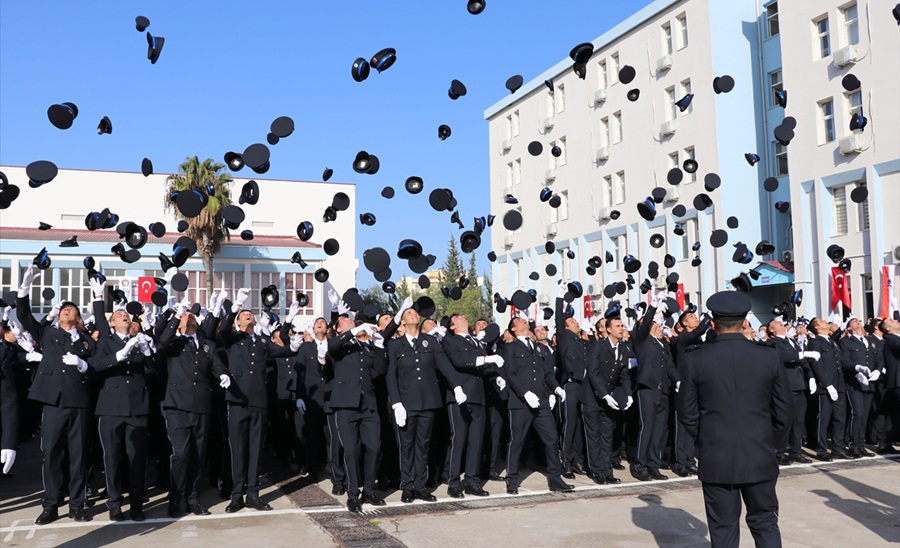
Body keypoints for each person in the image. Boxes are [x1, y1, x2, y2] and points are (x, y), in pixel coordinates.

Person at [679, 290, 790, 547]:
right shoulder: (768, 355)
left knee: (723, 530)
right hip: (760, 452)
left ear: (714, 323)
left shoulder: (696, 358)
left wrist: (707, 439)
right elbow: (784, 412)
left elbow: (687, 412)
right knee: (765, 524)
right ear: (744, 322)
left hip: (717, 455)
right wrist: (772, 445)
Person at [16, 265, 96, 525]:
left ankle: (76, 504)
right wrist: (24, 287)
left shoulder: (87, 342)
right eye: (63, 309)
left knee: (79, 455)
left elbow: (97, 369)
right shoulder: (48, 333)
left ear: (78, 317)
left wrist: (83, 365)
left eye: (71, 308)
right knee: (51, 453)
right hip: (54, 403)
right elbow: (25, 315)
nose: (66, 310)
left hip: (80, 403)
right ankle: (51, 504)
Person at [219, 288, 302, 512]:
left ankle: (253, 493)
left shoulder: (262, 342)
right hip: (237, 401)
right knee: (238, 449)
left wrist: (293, 347)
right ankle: (237, 494)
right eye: (243, 315)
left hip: (259, 401)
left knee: (256, 448)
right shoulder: (233, 339)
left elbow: (281, 352)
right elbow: (223, 330)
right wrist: (235, 306)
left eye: (250, 314)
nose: (248, 315)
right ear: (238, 322)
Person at [386, 306, 466, 503]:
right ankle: (407, 485)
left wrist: (457, 386)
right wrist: (396, 403)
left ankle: (420, 486)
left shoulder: (429, 341)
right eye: (409, 313)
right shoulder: (396, 345)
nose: (414, 314)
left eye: (415, 312)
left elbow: (444, 364)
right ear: (403, 322)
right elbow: (391, 376)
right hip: (406, 402)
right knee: (406, 446)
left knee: (423, 445)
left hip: (428, 401)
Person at [158, 301, 229, 517]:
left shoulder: (207, 344)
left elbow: (216, 364)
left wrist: (222, 374)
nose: (189, 317)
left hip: (201, 406)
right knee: (181, 454)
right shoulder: (175, 342)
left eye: (191, 315)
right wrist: (176, 316)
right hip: (177, 406)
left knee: (198, 455)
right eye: (185, 316)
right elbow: (163, 339)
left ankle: (193, 498)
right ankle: (175, 497)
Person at [89, 295, 155, 522]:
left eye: (126, 314)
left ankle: (137, 503)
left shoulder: (140, 339)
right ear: (112, 324)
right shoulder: (106, 342)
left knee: (137, 458)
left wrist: (148, 353)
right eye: (119, 314)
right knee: (113, 458)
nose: (124, 315)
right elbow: (96, 365)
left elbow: (153, 372)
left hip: (137, 407)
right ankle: (115, 503)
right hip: (111, 407)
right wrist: (120, 354)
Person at [502, 315, 573, 495]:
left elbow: (547, 374)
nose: (524, 321)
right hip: (520, 402)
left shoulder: (539, 348)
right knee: (517, 440)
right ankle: (511, 479)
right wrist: (525, 393)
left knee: (551, 439)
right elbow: (510, 374)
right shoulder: (510, 348)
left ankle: (555, 478)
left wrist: (555, 390)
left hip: (541, 401)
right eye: (518, 320)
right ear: (514, 330)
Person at [441, 313, 504, 498]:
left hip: (478, 396)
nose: (463, 317)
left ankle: (472, 481)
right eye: (458, 317)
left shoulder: (475, 342)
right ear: (452, 326)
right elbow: (458, 361)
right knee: (458, 439)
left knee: (476, 441)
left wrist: (496, 376)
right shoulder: (449, 340)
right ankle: (453, 482)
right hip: (460, 395)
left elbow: (484, 367)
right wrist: (487, 360)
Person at [328, 316, 387, 512]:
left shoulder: (365, 347)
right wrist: (353, 331)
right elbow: (333, 345)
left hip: (367, 404)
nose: (351, 321)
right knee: (351, 450)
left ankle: (369, 490)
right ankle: (353, 493)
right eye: (345, 320)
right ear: (338, 328)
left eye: (352, 319)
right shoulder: (339, 345)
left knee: (374, 447)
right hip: (346, 405)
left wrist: (378, 346)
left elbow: (378, 370)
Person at [631, 293, 680, 482]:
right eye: (656, 325)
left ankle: (654, 464)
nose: (660, 327)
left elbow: (670, 366)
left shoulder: (661, 345)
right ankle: (640, 465)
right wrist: (652, 306)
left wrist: (677, 381)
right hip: (647, 389)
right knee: (647, 428)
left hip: (662, 390)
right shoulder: (642, 341)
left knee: (659, 430)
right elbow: (643, 327)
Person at [584, 315, 632, 484]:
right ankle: (597, 471)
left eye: (622, 325)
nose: (621, 328)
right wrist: (604, 394)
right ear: (609, 329)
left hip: (609, 399)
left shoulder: (624, 349)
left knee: (607, 435)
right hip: (593, 397)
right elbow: (593, 373)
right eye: (618, 326)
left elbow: (624, 375)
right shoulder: (598, 347)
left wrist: (629, 394)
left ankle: (607, 470)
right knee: (594, 436)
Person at [767, 317, 818, 465]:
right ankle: (779, 451)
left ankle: (796, 451)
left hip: (798, 385)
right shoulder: (772, 343)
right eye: (776, 322)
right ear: (772, 330)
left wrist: (810, 377)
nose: (780, 323)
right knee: (783, 421)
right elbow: (781, 357)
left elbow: (803, 362)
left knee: (798, 421)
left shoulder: (792, 341)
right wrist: (801, 354)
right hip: (785, 386)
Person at [555, 280, 589, 478]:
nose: (576, 322)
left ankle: (578, 460)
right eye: (572, 322)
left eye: (575, 321)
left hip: (583, 386)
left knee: (578, 426)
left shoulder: (581, 340)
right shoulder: (565, 336)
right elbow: (560, 319)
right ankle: (565, 462)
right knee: (568, 425)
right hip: (570, 384)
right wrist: (560, 295)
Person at [806, 317, 848, 460]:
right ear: (817, 327)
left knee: (840, 418)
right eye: (822, 321)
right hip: (826, 387)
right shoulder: (815, 342)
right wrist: (827, 385)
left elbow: (839, 362)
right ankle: (822, 450)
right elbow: (816, 365)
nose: (826, 321)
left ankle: (838, 448)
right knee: (824, 419)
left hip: (839, 385)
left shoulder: (831, 342)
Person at [840, 318, 878, 457]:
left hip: (869, 382)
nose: (859, 323)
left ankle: (861, 445)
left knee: (865, 415)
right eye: (855, 321)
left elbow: (877, 359)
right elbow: (844, 360)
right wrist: (856, 370)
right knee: (857, 413)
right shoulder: (846, 342)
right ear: (849, 328)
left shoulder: (869, 341)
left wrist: (878, 370)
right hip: (853, 382)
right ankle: (853, 445)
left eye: (859, 321)